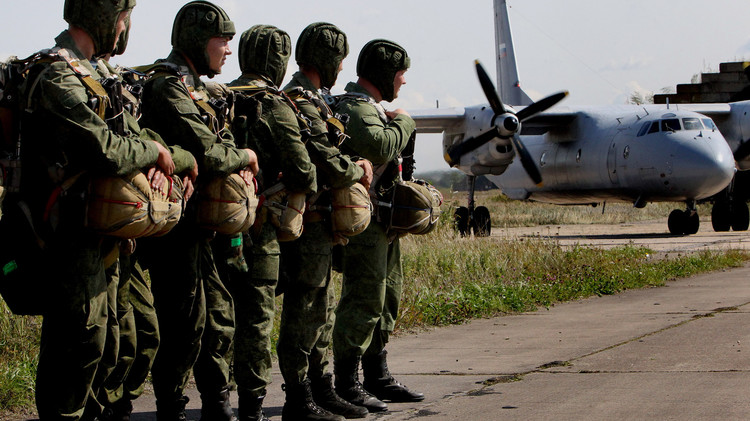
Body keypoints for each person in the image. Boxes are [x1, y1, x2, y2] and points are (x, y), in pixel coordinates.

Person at [19, 0, 176, 419]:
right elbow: (105, 150)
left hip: (101, 231)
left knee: (110, 340)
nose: (125, 28)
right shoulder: (57, 74)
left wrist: (171, 159)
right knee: (79, 341)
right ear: (107, 17)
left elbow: (140, 135)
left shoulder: (93, 77)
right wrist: (153, 153)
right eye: (124, 18)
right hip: (66, 232)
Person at [135, 2, 258, 420]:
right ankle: (170, 406)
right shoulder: (168, 87)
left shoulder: (199, 89)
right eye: (222, 40)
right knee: (184, 321)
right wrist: (245, 157)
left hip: (203, 226)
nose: (228, 50)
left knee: (218, 316)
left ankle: (216, 402)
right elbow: (211, 152)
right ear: (197, 40)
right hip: (175, 228)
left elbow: (218, 144)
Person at [277, 22, 373, 421]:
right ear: (326, 59)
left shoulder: (317, 99)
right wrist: (357, 169)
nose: (341, 67)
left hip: (322, 226)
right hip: (308, 224)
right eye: (339, 59)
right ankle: (298, 397)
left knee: (322, 310)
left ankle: (320, 388)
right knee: (304, 312)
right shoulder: (300, 100)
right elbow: (324, 157)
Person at [222, 24, 316, 421]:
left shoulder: (221, 94)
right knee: (257, 317)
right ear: (278, 61)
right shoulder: (275, 105)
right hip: (259, 232)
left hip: (218, 224)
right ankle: (252, 405)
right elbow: (303, 171)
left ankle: (218, 402)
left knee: (220, 316)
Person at [331, 39, 425, 413]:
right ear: (386, 74)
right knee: (365, 298)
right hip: (363, 221)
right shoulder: (355, 109)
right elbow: (381, 146)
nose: (403, 81)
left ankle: (376, 374)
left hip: (383, 220)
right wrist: (404, 120)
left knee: (387, 296)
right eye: (400, 73)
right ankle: (346, 381)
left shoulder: (372, 109)